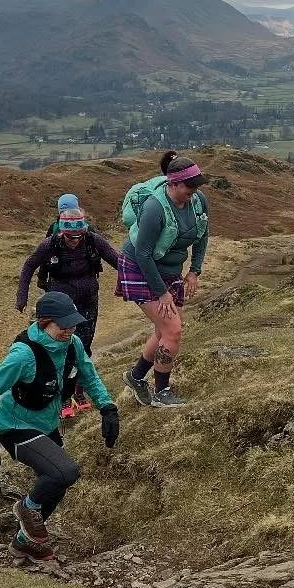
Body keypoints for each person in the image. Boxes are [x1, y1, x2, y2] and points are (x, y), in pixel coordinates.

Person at [0, 290, 120, 562]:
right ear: (44, 322)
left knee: (57, 483)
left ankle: (23, 543)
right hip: (15, 427)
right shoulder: (23, 355)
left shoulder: (73, 344)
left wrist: (107, 407)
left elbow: (88, 376)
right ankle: (25, 507)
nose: (70, 329)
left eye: (73, 323)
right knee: (65, 471)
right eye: (63, 325)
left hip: (47, 424)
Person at [117, 151, 209, 408]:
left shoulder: (198, 201)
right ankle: (161, 391)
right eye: (189, 188)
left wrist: (194, 270)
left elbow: (202, 236)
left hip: (169, 270)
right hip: (140, 267)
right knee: (173, 330)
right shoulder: (154, 208)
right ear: (174, 183)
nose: (194, 192)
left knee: (164, 329)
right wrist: (162, 293)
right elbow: (143, 254)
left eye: (196, 187)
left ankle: (136, 377)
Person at [16, 206, 121, 417]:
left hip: (88, 302)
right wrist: (22, 296)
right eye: (70, 237)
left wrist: (137, 282)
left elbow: (118, 261)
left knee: (84, 347)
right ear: (62, 232)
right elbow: (29, 266)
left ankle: (78, 392)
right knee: (59, 347)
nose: (75, 240)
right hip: (60, 305)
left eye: (78, 236)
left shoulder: (93, 240)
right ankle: (62, 396)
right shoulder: (50, 244)